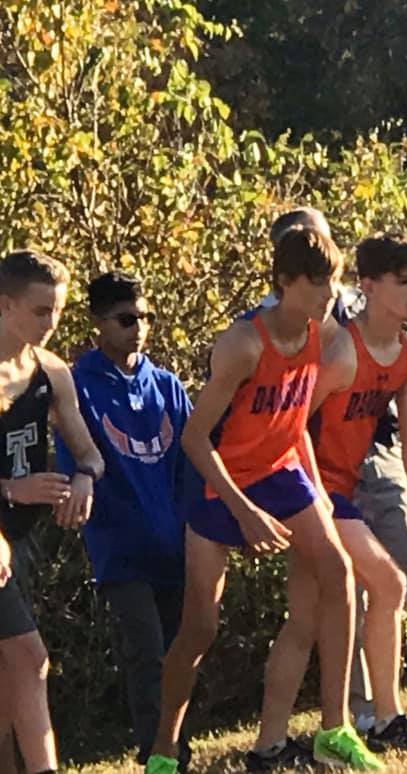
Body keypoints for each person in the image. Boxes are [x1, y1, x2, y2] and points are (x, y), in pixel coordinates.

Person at [146, 228, 382, 773]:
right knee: (200, 626)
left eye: (335, 280)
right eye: (318, 281)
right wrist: (244, 512)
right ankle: (162, 750)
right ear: (283, 282)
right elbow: (194, 439)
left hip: (280, 470)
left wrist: (316, 495)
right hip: (219, 478)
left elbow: (295, 422)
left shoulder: (326, 338)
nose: (330, 293)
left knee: (338, 572)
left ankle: (334, 728)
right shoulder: (243, 345)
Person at [265, 208, 407, 735]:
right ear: (369, 286)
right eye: (404, 282)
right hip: (309, 488)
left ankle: (385, 718)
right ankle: (366, 719)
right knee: (372, 589)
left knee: (376, 590)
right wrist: (302, 500)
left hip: (350, 485)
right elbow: (286, 426)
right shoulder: (339, 351)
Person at [55, 272, 192, 767]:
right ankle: (158, 754)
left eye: (145, 318)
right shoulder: (76, 387)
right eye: (126, 319)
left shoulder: (166, 385)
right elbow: (76, 464)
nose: (139, 328)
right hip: (121, 548)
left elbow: (191, 461)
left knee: (181, 653)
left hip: (175, 543)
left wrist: (195, 523)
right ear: (98, 323)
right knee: (147, 653)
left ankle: (178, 745)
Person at [0, 250, 104, 774]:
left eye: (58, 312)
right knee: (29, 657)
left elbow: (89, 454)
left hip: (23, 543)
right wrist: (11, 490)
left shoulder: (50, 371)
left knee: (10, 676)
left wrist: (84, 480)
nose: (51, 323)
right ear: (5, 306)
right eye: (41, 311)